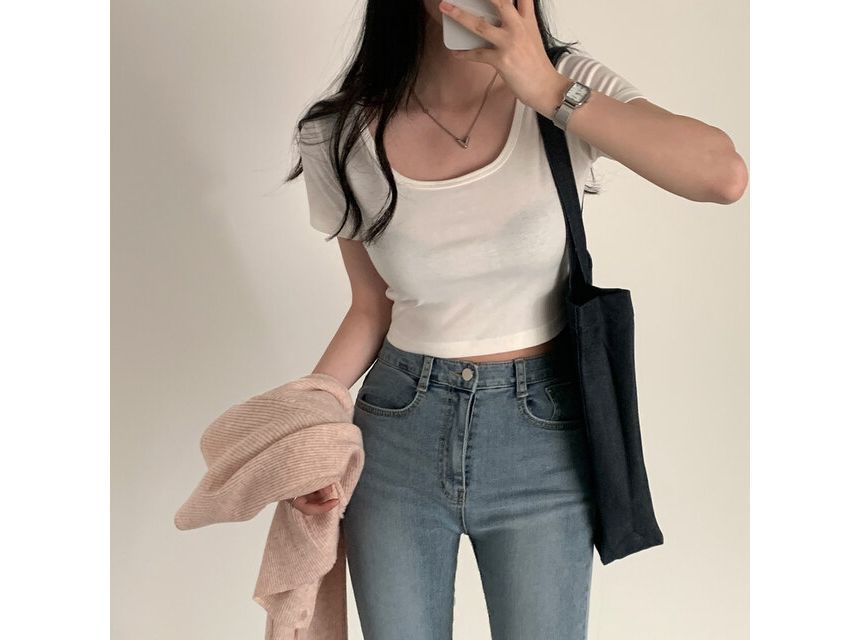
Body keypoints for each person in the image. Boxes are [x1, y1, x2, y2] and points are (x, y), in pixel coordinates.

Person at [284, 1, 748, 638]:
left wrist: (549, 90)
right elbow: (371, 306)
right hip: (397, 434)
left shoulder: (566, 86)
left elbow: (723, 176)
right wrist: (309, 426)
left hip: (543, 436)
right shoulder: (338, 134)